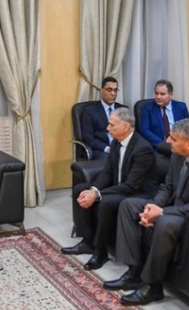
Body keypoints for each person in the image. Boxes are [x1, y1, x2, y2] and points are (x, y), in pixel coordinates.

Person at [104, 118, 189, 305]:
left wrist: (161, 213)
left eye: (173, 138)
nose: (168, 141)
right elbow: (167, 187)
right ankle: (134, 272)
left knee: (164, 223)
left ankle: (152, 286)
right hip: (173, 206)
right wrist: (153, 207)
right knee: (129, 205)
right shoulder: (177, 155)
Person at [62, 108, 157, 270]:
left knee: (105, 202)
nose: (108, 128)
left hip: (137, 192)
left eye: (112, 125)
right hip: (119, 187)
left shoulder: (143, 149)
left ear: (126, 126)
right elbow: (107, 172)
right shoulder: (116, 142)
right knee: (80, 189)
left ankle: (100, 252)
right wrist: (93, 189)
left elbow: (131, 185)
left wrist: (97, 194)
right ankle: (88, 241)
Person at [80, 76, 127, 160]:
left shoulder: (123, 110)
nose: (113, 93)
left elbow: (129, 133)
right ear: (101, 91)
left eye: (115, 90)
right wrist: (107, 149)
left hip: (120, 147)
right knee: (110, 160)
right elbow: (88, 138)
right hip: (101, 149)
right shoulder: (90, 111)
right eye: (109, 90)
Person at [139, 79, 189, 148]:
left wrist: (177, 142)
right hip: (158, 147)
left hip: (178, 146)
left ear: (171, 94)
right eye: (156, 93)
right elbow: (145, 130)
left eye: (162, 94)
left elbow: (188, 128)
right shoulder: (148, 108)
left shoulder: (181, 107)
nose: (158, 97)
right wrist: (163, 144)